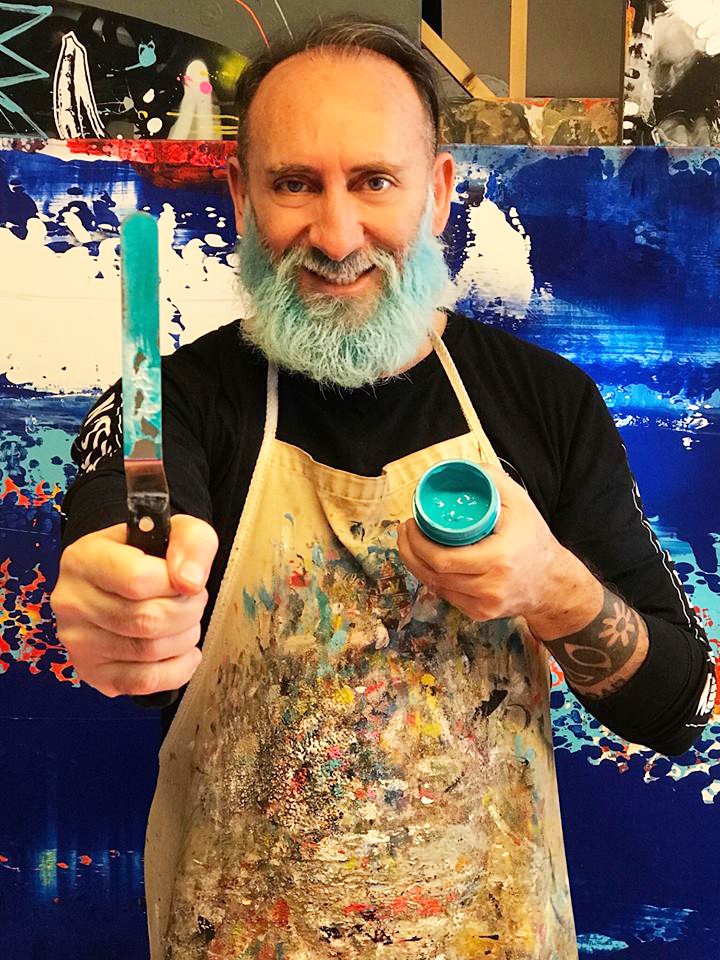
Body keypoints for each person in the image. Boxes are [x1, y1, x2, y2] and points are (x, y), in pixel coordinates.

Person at [51, 15, 715, 960]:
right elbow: (119, 529)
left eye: (374, 181)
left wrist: (555, 589)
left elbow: (681, 709)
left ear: (437, 193)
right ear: (241, 194)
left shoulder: (548, 402)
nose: (336, 235)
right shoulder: (169, 403)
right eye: (294, 183)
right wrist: (122, 605)